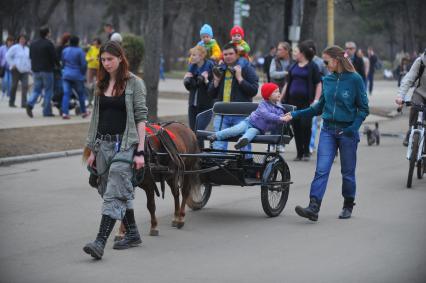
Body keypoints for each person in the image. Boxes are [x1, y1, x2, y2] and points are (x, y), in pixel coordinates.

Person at [283, 45, 369, 222]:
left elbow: (363, 109)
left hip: (348, 132)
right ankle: (313, 207)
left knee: (347, 172)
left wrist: (352, 129)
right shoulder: (327, 80)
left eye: (326, 61)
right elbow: (318, 108)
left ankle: (348, 204)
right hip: (328, 130)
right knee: (321, 170)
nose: (324, 64)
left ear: (336, 61)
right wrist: (295, 114)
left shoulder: (355, 79)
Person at [83, 40, 148, 259]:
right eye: (103, 59)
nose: (106, 63)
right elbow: (96, 119)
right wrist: (92, 149)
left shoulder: (134, 83)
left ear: (120, 58)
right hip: (103, 145)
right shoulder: (100, 85)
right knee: (109, 190)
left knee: (114, 189)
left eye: (110, 59)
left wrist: (139, 151)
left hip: (125, 144)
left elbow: (141, 118)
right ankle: (132, 232)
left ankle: (99, 242)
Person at [208, 43, 259, 152]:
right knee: (218, 147)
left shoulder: (246, 68)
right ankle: (219, 167)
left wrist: (240, 78)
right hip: (222, 115)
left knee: (244, 148)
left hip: (241, 115)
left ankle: (247, 167)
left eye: (231, 53)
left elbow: (253, 90)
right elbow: (211, 94)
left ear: (237, 55)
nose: (228, 56)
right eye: (225, 54)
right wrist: (216, 81)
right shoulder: (220, 69)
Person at [207, 83, 287, 149]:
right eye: (276, 92)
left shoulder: (279, 107)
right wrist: (280, 118)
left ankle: (241, 142)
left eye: (279, 91)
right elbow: (266, 115)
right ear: (268, 95)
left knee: (251, 133)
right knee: (236, 130)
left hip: (259, 129)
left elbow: (281, 118)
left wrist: (284, 118)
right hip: (249, 122)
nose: (279, 94)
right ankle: (216, 136)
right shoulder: (263, 104)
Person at [282, 41, 321, 161]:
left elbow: (318, 83)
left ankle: (306, 152)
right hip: (293, 102)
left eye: (296, 51)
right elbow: (288, 83)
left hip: (307, 103)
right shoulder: (293, 66)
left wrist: (316, 100)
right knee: (296, 127)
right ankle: (299, 153)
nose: (294, 53)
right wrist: (281, 97)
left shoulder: (312, 66)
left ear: (302, 53)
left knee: (306, 125)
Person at [304, 39, 329, 154]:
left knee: (314, 122)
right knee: (306, 122)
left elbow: (327, 77)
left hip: (317, 96)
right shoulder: (302, 62)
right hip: (305, 96)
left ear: (312, 50)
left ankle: (311, 145)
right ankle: (306, 145)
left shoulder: (320, 62)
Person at [395, 50, 426, 146]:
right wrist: (400, 96)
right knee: (415, 107)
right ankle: (411, 132)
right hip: (420, 93)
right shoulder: (420, 62)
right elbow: (409, 78)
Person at [26, 26, 58, 118]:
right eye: (50, 32)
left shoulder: (33, 44)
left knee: (36, 89)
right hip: (47, 70)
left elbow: (31, 56)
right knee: (48, 91)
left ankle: (30, 103)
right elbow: (54, 57)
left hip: (36, 70)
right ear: (47, 33)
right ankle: (46, 111)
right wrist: (58, 65)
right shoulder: (49, 44)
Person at [183, 45, 214, 131]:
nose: (191, 57)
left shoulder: (210, 68)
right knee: (193, 132)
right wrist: (186, 80)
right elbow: (190, 88)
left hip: (205, 107)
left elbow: (213, 90)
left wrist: (206, 80)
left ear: (201, 56)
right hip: (192, 105)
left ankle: (200, 145)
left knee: (199, 131)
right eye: (191, 55)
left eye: (193, 55)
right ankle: (198, 145)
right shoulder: (192, 68)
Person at [61, 35, 89, 119]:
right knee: (81, 94)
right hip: (77, 76)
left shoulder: (65, 50)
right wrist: (83, 74)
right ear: (78, 42)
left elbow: (63, 62)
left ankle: (65, 113)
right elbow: (84, 65)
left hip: (66, 74)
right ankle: (84, 112)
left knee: (66, 94)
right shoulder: (80, 51)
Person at [6, 34, 31, 108]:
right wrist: (12, 64)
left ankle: (24, 103)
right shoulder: (15, 47)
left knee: (25, 86)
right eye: (21, 39)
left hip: (25, 70)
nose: (22, 40)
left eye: (24, 39)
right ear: (18, 40)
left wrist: (30, 69)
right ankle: (11, 102)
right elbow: (7, 56)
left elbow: (29, 60)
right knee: (14, 86)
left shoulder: (27, 49)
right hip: (16, 69)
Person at [86, 38, 102, 107]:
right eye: (94, 43)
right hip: (91, 67)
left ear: (98, 43)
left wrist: (100, 59)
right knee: (90, 85)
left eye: (95, 43)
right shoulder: (91, 48)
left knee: (98, 84)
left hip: (99, 68)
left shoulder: (101, 49)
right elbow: (86, 57)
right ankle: (89, 100)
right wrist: (90, 59)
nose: (94, 44)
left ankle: (95, 100)